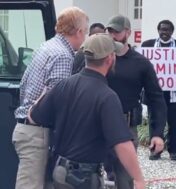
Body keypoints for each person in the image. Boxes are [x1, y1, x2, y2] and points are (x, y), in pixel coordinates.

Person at [27, 33, 146, 189]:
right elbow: (122, 144)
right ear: (110, 58)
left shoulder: (64, 85)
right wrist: (138, 179)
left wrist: (39, 99)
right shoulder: (106, 96)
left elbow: (34, 117)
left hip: (59, 172)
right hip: (83, 178)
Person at [12, 7, 89, 189]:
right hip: (38, 132)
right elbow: (57, 101)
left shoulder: (46, 47)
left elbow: (24, 85)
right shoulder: (63, 56)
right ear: (78, 32)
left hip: (27, 128)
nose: (85, 37)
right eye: (85, 32)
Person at [106, 15, 167, 189]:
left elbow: (156, 98)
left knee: (125, 179)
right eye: (109, 31)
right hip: (98, 124)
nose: (112, 36)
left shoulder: (141, 63)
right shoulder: (100, 58)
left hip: (126, 127)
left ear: (128, 32)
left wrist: (157, 133)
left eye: (116, 32)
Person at [141, 20, 176, 161]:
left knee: (175, 123)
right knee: (154, 122)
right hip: (154, 93)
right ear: (158, 30)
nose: (164, 32)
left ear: (172, 32)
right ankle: (155, 150)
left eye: (167, 30)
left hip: (175, 94)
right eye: (162, 30)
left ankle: (174, 151)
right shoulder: (147, 45)